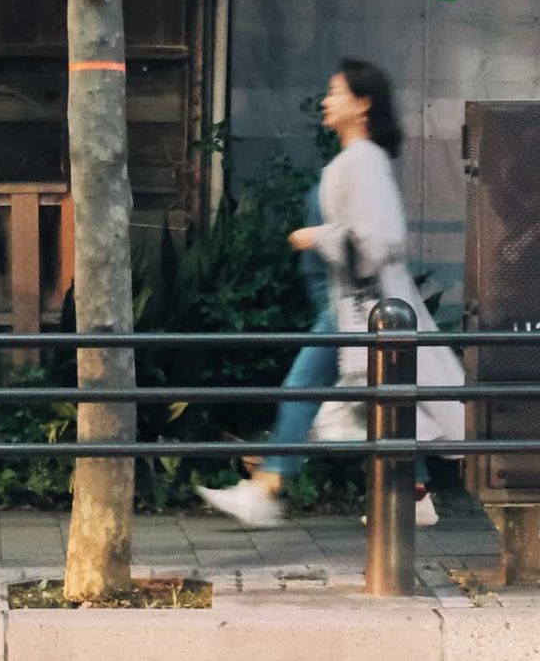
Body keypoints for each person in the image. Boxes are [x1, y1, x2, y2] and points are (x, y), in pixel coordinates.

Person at [199, 58, 465, 527]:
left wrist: (315, 236)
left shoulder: (362, 162)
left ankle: (266, 490)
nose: (327, 100)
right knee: (384, 400)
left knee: (303, 388)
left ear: (362, 105)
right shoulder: (358, 161)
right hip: (347, 302)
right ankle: (415, 491)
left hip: (354, 306)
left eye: (336, 92)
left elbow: (382, 239)